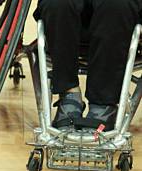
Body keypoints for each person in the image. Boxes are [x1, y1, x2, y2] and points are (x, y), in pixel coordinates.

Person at [33, 0, 142, 130]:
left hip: (117, 18)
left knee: (117, 4)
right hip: (70, 19)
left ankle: (102, 104)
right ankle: (69, 94)